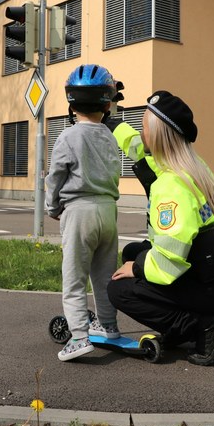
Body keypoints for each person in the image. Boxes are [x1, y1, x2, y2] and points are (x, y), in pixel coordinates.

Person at [105, 91, 214, 366]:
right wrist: (112, 123)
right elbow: (136, 146)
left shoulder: (170, 186)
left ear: (157, 137)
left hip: (212, 287)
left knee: (119, 290)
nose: (141, 135)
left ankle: (205, 328)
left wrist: (135, 268)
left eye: (144, 128)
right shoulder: (192, 166)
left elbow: (169, 261)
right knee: (134, 250)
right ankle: (184, 324)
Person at [45, 64, 122, 361]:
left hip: (79, 211)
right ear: (107, 103)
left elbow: (56, 177)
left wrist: (53, 207)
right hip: (108, 210)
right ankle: (108, 325)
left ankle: (78, 337)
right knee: (103, 276)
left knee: (74, 278)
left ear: (71, 103)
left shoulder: (68, 136)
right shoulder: (110, 136)